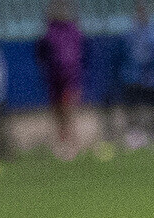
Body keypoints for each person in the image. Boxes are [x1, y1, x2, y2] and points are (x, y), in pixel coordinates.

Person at [41, 2, 90, 158]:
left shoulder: (73, 32)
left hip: (70, 79)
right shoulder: (49, 34)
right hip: (55, 79)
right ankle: (63, 144)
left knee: (68, 111)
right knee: (59, 113)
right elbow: (42, 56)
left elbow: (82, 55)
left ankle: (72, 145)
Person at [118, 5, 154, 146]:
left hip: (151, 78)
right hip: (132, 77)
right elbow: (126, 54)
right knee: (133, 107)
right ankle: (135, 136)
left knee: (152, 108)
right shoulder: (130, 33)